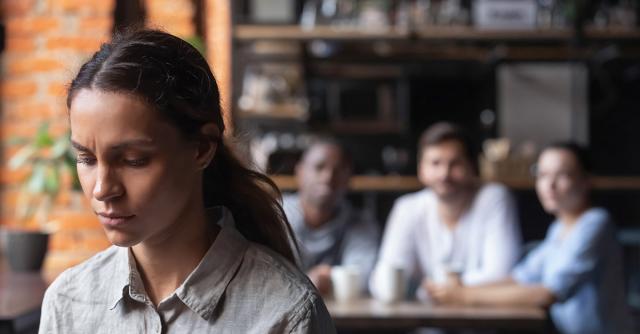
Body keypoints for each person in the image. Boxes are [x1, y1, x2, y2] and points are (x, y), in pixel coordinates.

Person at [39, 30, 335, 334]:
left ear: (202, 148)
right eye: (87, 159)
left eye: (133, 160)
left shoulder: (286, 313)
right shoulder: (68, 303)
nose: (102, 189)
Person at [427, 142, 632, 334]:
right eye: (542, 175)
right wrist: (456, 288)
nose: (549, 185)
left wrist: (464, 296)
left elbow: (547, 294)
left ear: (586, 181)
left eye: (563, 175)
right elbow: (520, 277)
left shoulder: (595, 224)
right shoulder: (559, 228)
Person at [370, 122, 522, 300]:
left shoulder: (494, 198)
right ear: (421, 169)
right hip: (426, 323)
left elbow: (502, 273)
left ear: (472, 167)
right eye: (435, 163)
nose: (444, 174)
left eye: (455, 164)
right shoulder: (407, 208)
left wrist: (437, 288)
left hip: (486, 322)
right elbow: (385, 276)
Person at [283, 137, 379, 295]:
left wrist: (329, 278)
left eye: (339, 170)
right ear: (299, 172)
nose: (328, 177)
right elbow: (265, 277)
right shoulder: (274, 216)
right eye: (319, 167)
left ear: (349, 179)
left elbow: (364, 277)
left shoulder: (361, 223)